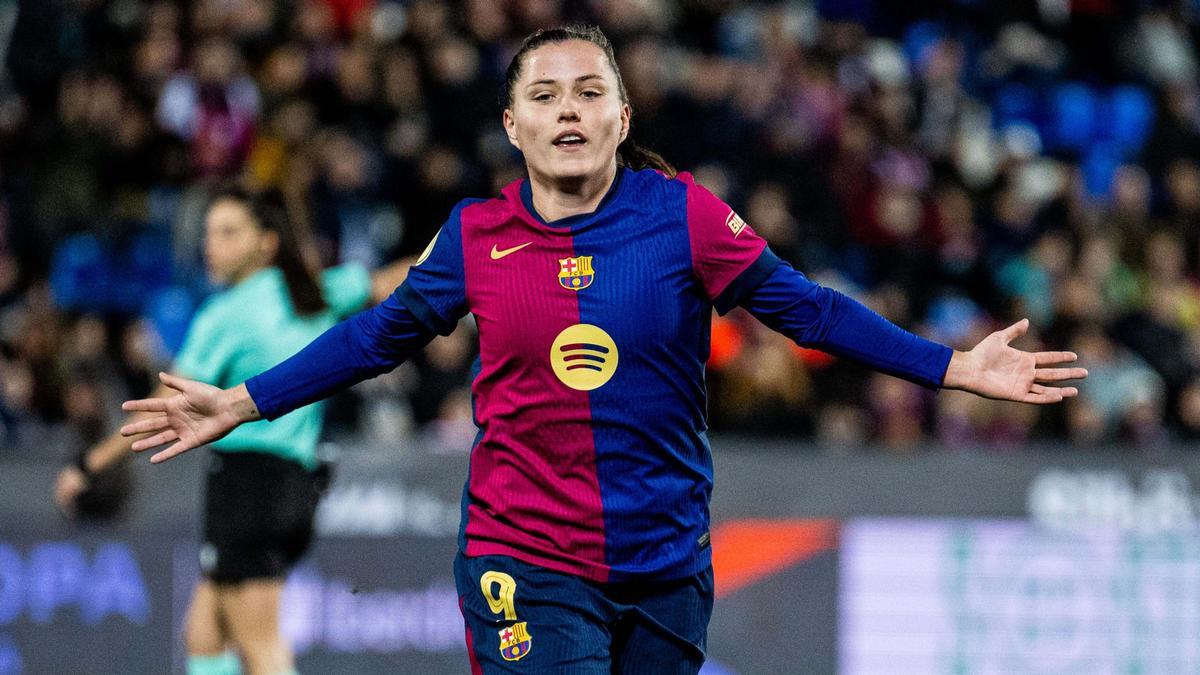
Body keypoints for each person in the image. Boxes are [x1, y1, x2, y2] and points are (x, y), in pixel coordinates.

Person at [118, 26, 1087, 675]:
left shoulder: (687, 219)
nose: (569, 109)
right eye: (546, 95)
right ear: (513, 126)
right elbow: (375, 339)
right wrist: (242, 401)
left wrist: (952, 367)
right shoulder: (472, 236)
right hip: (523, 552)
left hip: (667, 559)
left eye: (591, 92)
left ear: (623, 119)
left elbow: (811, 312)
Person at [53, 186, 408, 675]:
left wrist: (88, 465)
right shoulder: (317, 290)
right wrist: (468, 253)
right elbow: (393, 278)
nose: (210, 245)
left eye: (227, 232)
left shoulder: (226, 315)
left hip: (250, 485)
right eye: (208, 233)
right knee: (203, 634)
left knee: (260, 646)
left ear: (265, 243)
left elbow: (160, 411)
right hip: (293, 484)